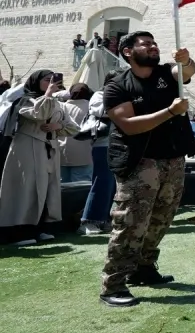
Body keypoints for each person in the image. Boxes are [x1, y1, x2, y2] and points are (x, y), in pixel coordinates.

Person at [98, 32, 195, 308]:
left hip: (172, 159)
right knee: (131, 223)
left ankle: (143, 268)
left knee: (161, 219)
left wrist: (186, 60)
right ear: (128, 51)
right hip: (140, 161)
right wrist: (169, 112)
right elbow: (128, 124)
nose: (153, 46)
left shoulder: (167, 73)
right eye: (146, 44)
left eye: (155, 42)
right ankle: (113, 284)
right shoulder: (118, 84)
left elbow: (186, 71)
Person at [1, 70, 78, 245]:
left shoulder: (58, 104)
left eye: (53, 80)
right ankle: (18, 231)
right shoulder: (25, 100)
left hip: (49, 150)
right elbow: (40, 114)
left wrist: (57, 126)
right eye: (46, 80)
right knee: (26, 189)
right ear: (36, 81)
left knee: (47, 190)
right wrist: (49, 94)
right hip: (27, 148)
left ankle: (41, 227)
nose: (51, 83)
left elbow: (73, 127)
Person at [77, 78, 117, 235]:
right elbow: (100, 111)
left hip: (117, 144)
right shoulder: (99, 95)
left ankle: (103, 219)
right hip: (103, 144)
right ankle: (88, 220)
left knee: (111, 184)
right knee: (102, 181)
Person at [59, 83, 94, 184]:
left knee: (62, 186)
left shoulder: (61, 107)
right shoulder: (90, 108)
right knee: (81, 186)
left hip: (62, 152)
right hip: (84, 154)